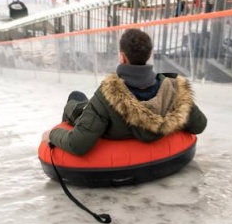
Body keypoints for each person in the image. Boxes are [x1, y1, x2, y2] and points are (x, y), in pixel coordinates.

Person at [42, 29, 207, 155]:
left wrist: (52, 134)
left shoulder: (107, 95)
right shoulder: (173, 90)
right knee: (81, 100)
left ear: (122, 57)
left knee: (76, 97)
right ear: (149, 55)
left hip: (95, 121)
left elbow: (78, 144)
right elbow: (199, 125)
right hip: (154, 151)